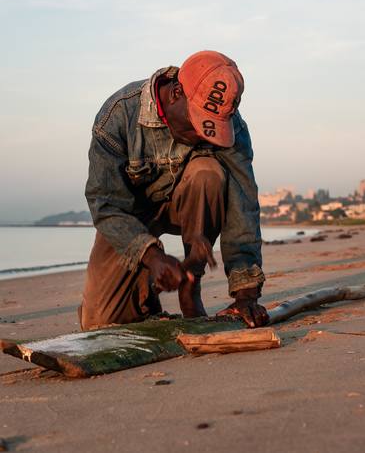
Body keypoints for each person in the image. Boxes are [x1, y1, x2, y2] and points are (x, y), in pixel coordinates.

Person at [79, 50, 269, 330]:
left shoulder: (232, 126)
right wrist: (152, 256)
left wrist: (246, 293)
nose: (201, 135)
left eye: (211, 129)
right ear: (176, 92)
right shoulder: (119, 115)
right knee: (100, 323)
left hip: (187, 205)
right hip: (131, 219)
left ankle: (190, 281)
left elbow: (243, 203)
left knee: (209, 173)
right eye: (197, 123)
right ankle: (144, 291)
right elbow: (104, 204)